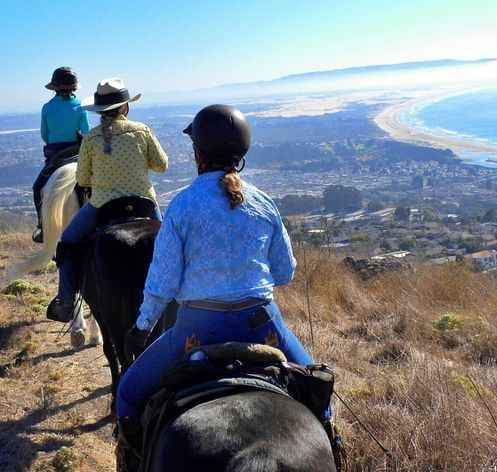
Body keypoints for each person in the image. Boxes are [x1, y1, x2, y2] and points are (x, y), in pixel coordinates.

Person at [115, 104, 339, 470]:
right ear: (242, 154)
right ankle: (333, 443)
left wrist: (142, 327)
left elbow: (163, 282)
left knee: (128, 394)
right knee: (320, 393)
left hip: (194, 331)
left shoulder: (183, 205)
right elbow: (285, 272)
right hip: (264, 327)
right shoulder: (263, 203)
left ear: (197, 153)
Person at [46, 78, 168, 323]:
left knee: (67, 243)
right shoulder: (142, 131)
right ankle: (185, 297)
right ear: (125, 107)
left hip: (102, 205)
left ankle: (66, 302)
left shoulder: (91, 139)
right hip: (144, 202)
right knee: (170, 244)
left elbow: (81, 178)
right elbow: (162, 165)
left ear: (100, 111)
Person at [32, 67, 90, 243]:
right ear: (74, 88)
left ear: (55, 87)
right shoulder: (81, 106)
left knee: (37, 188)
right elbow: (86, 132)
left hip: (55, 155)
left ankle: (42, 227)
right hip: (77, 153)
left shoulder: (47, 108)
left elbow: (45, 135)